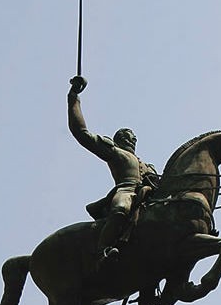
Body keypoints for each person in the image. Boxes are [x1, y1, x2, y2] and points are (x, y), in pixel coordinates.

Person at [67, 75, 157, 265]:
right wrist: (74, 97)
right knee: (121, 209)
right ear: (118, 140)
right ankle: (103, 252)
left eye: (133, 137)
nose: (131, 139)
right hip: (126, 190)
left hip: (150, 196)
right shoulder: (115, 152)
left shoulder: (148, 166)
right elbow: (81, 133)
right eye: (126, 136)